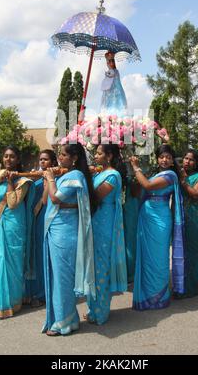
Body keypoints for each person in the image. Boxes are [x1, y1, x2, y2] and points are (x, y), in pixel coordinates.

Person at [42, 143, 97, 336]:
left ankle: (63, 322)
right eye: (59, 154)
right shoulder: (66, 175)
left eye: (64, 155)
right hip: (57, 229)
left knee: (63, 278)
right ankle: (69, 318)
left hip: (65, 233)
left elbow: (56, 198)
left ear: (74, 158)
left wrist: (50, 179)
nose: (60, 158)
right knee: (58, 276)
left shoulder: (75, 176)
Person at [0, 146, 35, 319]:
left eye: (12, 157)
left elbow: (12, 203)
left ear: (18, 159)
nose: (8, 159)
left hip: (13, 226)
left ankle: (12, 301)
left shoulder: (23, 181)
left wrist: (10, 182)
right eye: (6, 156)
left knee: (10, 261)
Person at [130, 144, 185, 310]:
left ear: (172, 160)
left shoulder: (170, 175)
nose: (165, 160)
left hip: (160, 219)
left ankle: (159, 297)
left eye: (168, 157)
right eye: (162, 157)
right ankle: (146, 295)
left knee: (159, 258)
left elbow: (147, 186)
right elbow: (137, 191)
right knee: (147, 258)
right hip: (147, 218)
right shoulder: (156, 174)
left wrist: (135, 167)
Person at [85, 144, 127, 325]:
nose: (95, 155)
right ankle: (92, 309)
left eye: (99, 153)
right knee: (93, 265)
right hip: (95, 220)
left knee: (102, 265)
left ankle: (101, 311)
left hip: (105, 221)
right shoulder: (98, 174)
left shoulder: (112, 175)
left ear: (109, 156)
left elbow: (95, 197)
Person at [23, 149, 58, 307]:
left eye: (45, 160)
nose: (42, 162)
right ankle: (30, 290)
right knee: (33, 251)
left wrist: (47, 179)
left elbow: (45, 199)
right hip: (33, 216)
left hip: (44, 214)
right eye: (40, 160)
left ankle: (43, 292)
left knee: (42, 252)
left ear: (52, 161)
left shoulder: (53, 176)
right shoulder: (36, 175)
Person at [180, 149, 198, 298]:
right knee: (180, 252)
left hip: (194, 217)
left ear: (196, 163)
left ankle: (190, 289)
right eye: (185, 158)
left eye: (191, 160)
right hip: (180, 216)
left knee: (191, 252)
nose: (187, 161)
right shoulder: (180, 175)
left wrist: (183, 181)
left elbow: (196, 194)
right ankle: (179, 286)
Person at [100, 51, 127, 115]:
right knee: (108, 103)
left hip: (116, 90)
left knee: (116, 103)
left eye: (111, 61)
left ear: (113, 62)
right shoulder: (109, 71)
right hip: (109, 90)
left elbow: (112, 75)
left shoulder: (115, 71)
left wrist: (108, 75)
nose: (110, 63)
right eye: (108, 62)